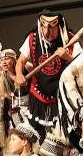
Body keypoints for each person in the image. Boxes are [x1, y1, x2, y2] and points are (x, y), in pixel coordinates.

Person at [14, 9, 74, 137]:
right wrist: (19, 75)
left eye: (52, 28)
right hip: (38, 94)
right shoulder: (33, 38)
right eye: (44, 27)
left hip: (61, 95)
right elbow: (20, 61)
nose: (47, 32)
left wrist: (67, 57)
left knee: (62, 134)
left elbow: (80, 64)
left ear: (59, 26)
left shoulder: (69, 39)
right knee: (37, 133)